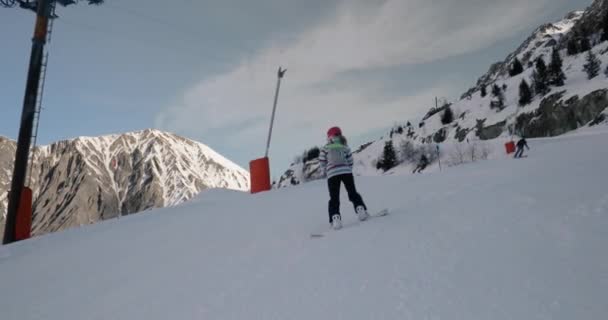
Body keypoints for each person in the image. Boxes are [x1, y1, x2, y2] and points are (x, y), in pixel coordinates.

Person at [319, 126, 368, 230]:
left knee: (334, 197)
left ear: (329, 137)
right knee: (352, 192)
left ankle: (335, 218)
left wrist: (326, 171)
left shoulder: (325, 148)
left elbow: (322, 161)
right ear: (340, 135)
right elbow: (350, 159)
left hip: (332, 174)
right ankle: (360, 209)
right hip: (346, 172)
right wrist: (348, 169)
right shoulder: (344, 146)